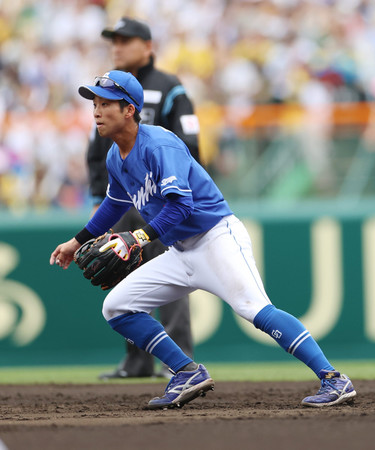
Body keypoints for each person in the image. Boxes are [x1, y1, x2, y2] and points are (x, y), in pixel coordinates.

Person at [50, 70, 357, 410]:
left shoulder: (159, 144)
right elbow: (114, 204)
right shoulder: (114, 156)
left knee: (254, 309)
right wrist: (76, 242)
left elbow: (182, 204)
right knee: (117, 306)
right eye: (94, 103)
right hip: (180, 251)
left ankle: (334, 379)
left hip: (216, 238)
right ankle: (186, 371)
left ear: (129, 110)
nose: (96, 110)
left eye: (105, 103)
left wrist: (138, 237)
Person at [87, 17, 200, 379]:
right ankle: (137, 361)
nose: (117, 47)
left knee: (172, 280)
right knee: (123, 276)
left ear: (147, 46)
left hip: (161, 201)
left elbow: (190, 142)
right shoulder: (109, 91)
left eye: (126, 40)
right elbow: (97, 148)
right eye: (114, 41)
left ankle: (177, 360)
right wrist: (96, 195)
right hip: (121, 200)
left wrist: (179, 191)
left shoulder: (170, 87)